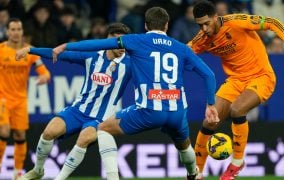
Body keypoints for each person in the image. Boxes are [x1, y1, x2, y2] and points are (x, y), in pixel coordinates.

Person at [52, 7, 220, 180]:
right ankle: (193, 173)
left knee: (103, 129)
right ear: (167, 25)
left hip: (150, 110)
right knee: (184, 146)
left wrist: (66, 46)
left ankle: (113, 178)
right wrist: (210, 104)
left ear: (146, 26)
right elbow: (209, 75)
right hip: (177, 111)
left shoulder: (135, 40)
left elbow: (98, 44)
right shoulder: (181, 48)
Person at [187, 1, 284, 180]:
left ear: (215, 17)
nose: (204, 29)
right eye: (200, 25)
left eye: (207, 23)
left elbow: (272, 23)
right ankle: (196, 173)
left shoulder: (236, 21)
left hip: (261, 76)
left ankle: (236, 162)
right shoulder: (202, 39)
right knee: (209, 122)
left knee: (237, 109)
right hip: (235, 81)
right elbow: (182, 52)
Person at [16, 23, 131, 180]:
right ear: (108, 40)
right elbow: (58, 53)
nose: (121, 46)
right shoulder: (92, 56)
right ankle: (38, 170)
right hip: (78, 110)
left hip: (102, 117)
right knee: (49, 132)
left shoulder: (130, 64)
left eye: (124, 41)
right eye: (117, 41)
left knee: (83, 139)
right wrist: (30, 50)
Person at [0, 18, 50, 179]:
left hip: (20, 100)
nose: (16, 32)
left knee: (20, 135)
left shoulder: (30, 51)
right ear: (7, 32)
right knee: (4, 130)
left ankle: (17, 174)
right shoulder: (1, 50)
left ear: (22, 32)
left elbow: (45, 72)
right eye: (13, 29)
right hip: (2, 99)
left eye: (18, 29)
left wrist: (44, 77)